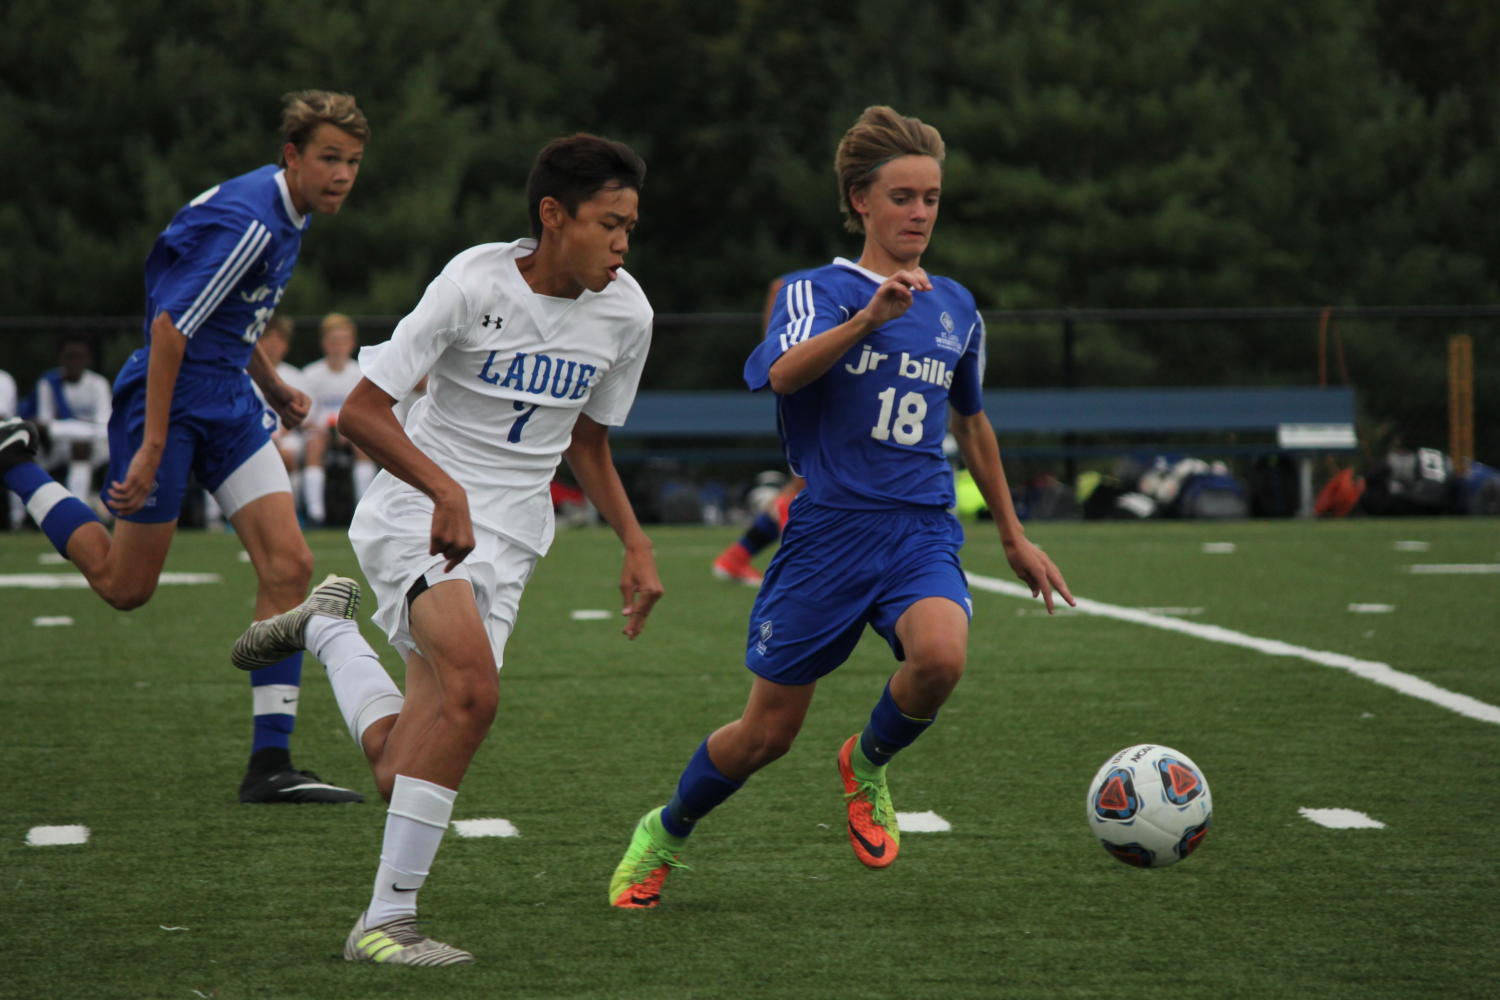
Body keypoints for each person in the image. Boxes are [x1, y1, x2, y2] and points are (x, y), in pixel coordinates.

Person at [609, 106, 1074, 909]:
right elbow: (783, 375)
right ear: (861, 200)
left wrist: (1013, 535)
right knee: (764, 737)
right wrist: (869, 319)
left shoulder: (957, 305)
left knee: (941, 658)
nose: (920, 213)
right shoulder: (812, 290)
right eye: (902, 197)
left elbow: (971, 421)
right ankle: (667, 830)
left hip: (920, 527)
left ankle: (865, 763)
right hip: (827, 534)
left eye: (931, 197)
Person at [230, 132, 663, 964]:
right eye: (609, 223)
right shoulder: (473, 282)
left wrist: (636, 544)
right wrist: (445, 490)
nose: (622, 243)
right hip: (414, 514)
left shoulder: (628, 313)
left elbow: (590, 443)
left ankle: (325, 631)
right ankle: (384, 923)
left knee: (400, 768)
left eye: (630, 227)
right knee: (475, 692)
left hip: (512, 539)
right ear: (552, 215)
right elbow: (359, 413)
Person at [0, 90, 370, 804]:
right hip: (168, 399)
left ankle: (270, 765)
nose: (343, 175)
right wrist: (152, 445)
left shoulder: (286, 208)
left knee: (289, 566)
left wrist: (265, 380)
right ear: (291, 156)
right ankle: (16, 466)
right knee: (123, 586)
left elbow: (227, 314)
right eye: (330, 158)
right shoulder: (254, 222)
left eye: (353, 161)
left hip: (226, 397)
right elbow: (170, 328)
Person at [300, 312, 376, 524]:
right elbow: (307, 416)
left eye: (343, 341)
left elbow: (367, 411)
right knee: (314, 446)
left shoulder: (361, 372)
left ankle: (364, 511)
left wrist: (348, 429)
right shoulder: (311, 374)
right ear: (324, 343)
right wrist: (324, 428)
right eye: (333, 341)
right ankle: (316, 514)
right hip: (320, 433)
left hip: (351, 431)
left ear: (351, 343)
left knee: (364, 446)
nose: (338, 347)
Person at [31, 337, 114, 513]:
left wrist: (63, 428)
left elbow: (103, 427)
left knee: (81, 447)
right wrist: (69, 429)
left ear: (87, 360)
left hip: (95, 447)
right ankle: (24, 518)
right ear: (61, 359)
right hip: (59, 446)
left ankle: (78, 510)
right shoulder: (48, 383)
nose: (73, 362)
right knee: (22, 455)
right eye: (69, 357)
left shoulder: (98, 384)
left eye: (78, 357)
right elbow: (44, 425)